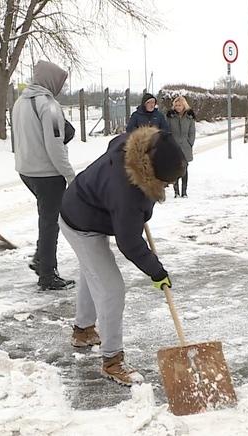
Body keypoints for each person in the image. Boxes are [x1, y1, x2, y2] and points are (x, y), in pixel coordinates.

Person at [58, 125, 187, 385]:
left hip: (87, 207)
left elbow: (114, 144)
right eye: (167, 182)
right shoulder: (127, 193)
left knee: (93, 272)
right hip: (81, 224)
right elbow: (129, 243)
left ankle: (83, 331)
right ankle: (112, 360)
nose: (169, 186)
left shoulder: (135, 146)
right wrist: (156, 271)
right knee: (111, 288)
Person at [13, 60, 76, 291]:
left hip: (26, 170)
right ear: (51, 80)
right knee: (50, 223)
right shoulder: (49, 105)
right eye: (60, 82)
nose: (60, 87)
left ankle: (41, 259)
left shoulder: (20, 101)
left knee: (47, 218)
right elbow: (54, 144)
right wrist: (70, 175)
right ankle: (48, 275)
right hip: (47, 174)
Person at [166, 96, 196, 198]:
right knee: (175, 169)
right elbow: (167, 131)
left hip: (185, 146)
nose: (178, 107)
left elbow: (192, 132)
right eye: (176, 105)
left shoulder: (189, 117)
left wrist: (190, 143)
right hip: (174, 146)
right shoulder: (170, 117)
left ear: (184, 105)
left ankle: (184, 191)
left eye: (180, 105)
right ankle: (176, 192)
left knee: (184, 169)